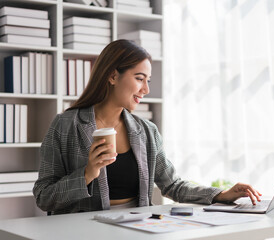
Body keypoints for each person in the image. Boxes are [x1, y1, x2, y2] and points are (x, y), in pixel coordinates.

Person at [33, 39, 261, 215]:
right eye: (139, 78)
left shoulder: (146, 131)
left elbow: (173, 185)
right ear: (113, 76)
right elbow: (44, 197)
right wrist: (87, 173)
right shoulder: (66, 126)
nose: (146, 89)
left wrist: (221, 194)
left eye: (148, 80)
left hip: (138, 228)